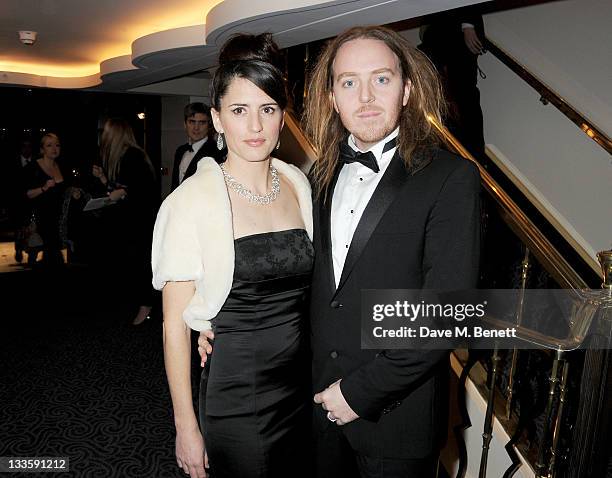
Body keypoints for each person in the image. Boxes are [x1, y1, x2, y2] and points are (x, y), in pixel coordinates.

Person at [196, 25, 481, 478]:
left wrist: (358, 393)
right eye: (349, 82)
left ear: (407, 90)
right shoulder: (316, 177)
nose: (365, 97)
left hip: (395, 418)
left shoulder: (450, 177)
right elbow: (296, 276)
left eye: (381, 79)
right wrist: (217, 320)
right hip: (313, 411)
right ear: (332, 97)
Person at [152, 33, 313, 478]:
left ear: (283, 117)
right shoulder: (191, 202)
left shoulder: (299, 187)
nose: (256, 127)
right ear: (218, 119)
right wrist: (185, 426)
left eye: (268, 110)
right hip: (238, 397)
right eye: (240, 111)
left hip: (301, 391)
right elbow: (172, 326)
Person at [93, 118, 159, 325]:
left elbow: (144, 190)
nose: (103, 135)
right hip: (130, 222)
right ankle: (139, 304)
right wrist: (104, 180)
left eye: (106, 132)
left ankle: (146, 306)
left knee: (140, 265)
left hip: (139, 223)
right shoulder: (123, 156)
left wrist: (122, 192)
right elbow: (123, 188)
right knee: (132, 264)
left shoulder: (133, 156)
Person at [419, 6, 486, 158]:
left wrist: (468, 24)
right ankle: (460, 153)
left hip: (454, 30)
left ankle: (472, 155)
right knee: (444, 97)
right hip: (440, 31)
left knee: (464, 96)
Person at [23, 133, 73, 265]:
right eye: (49, 145)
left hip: (59, 220)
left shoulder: (61, 166)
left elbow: (64, 191)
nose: (54, 148)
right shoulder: (33, 167)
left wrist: (73, 192)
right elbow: (26, 194)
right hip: (41, 220)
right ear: (42, 149)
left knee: (52, 256)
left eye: (57, 145)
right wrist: (44, 188)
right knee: (53, 255)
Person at [171, 102, 224, 190]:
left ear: (209, 125)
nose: (196, 127)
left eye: (202, 123)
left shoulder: (216, 153)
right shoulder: (180, 151)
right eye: (192, 122)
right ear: (185, 124)